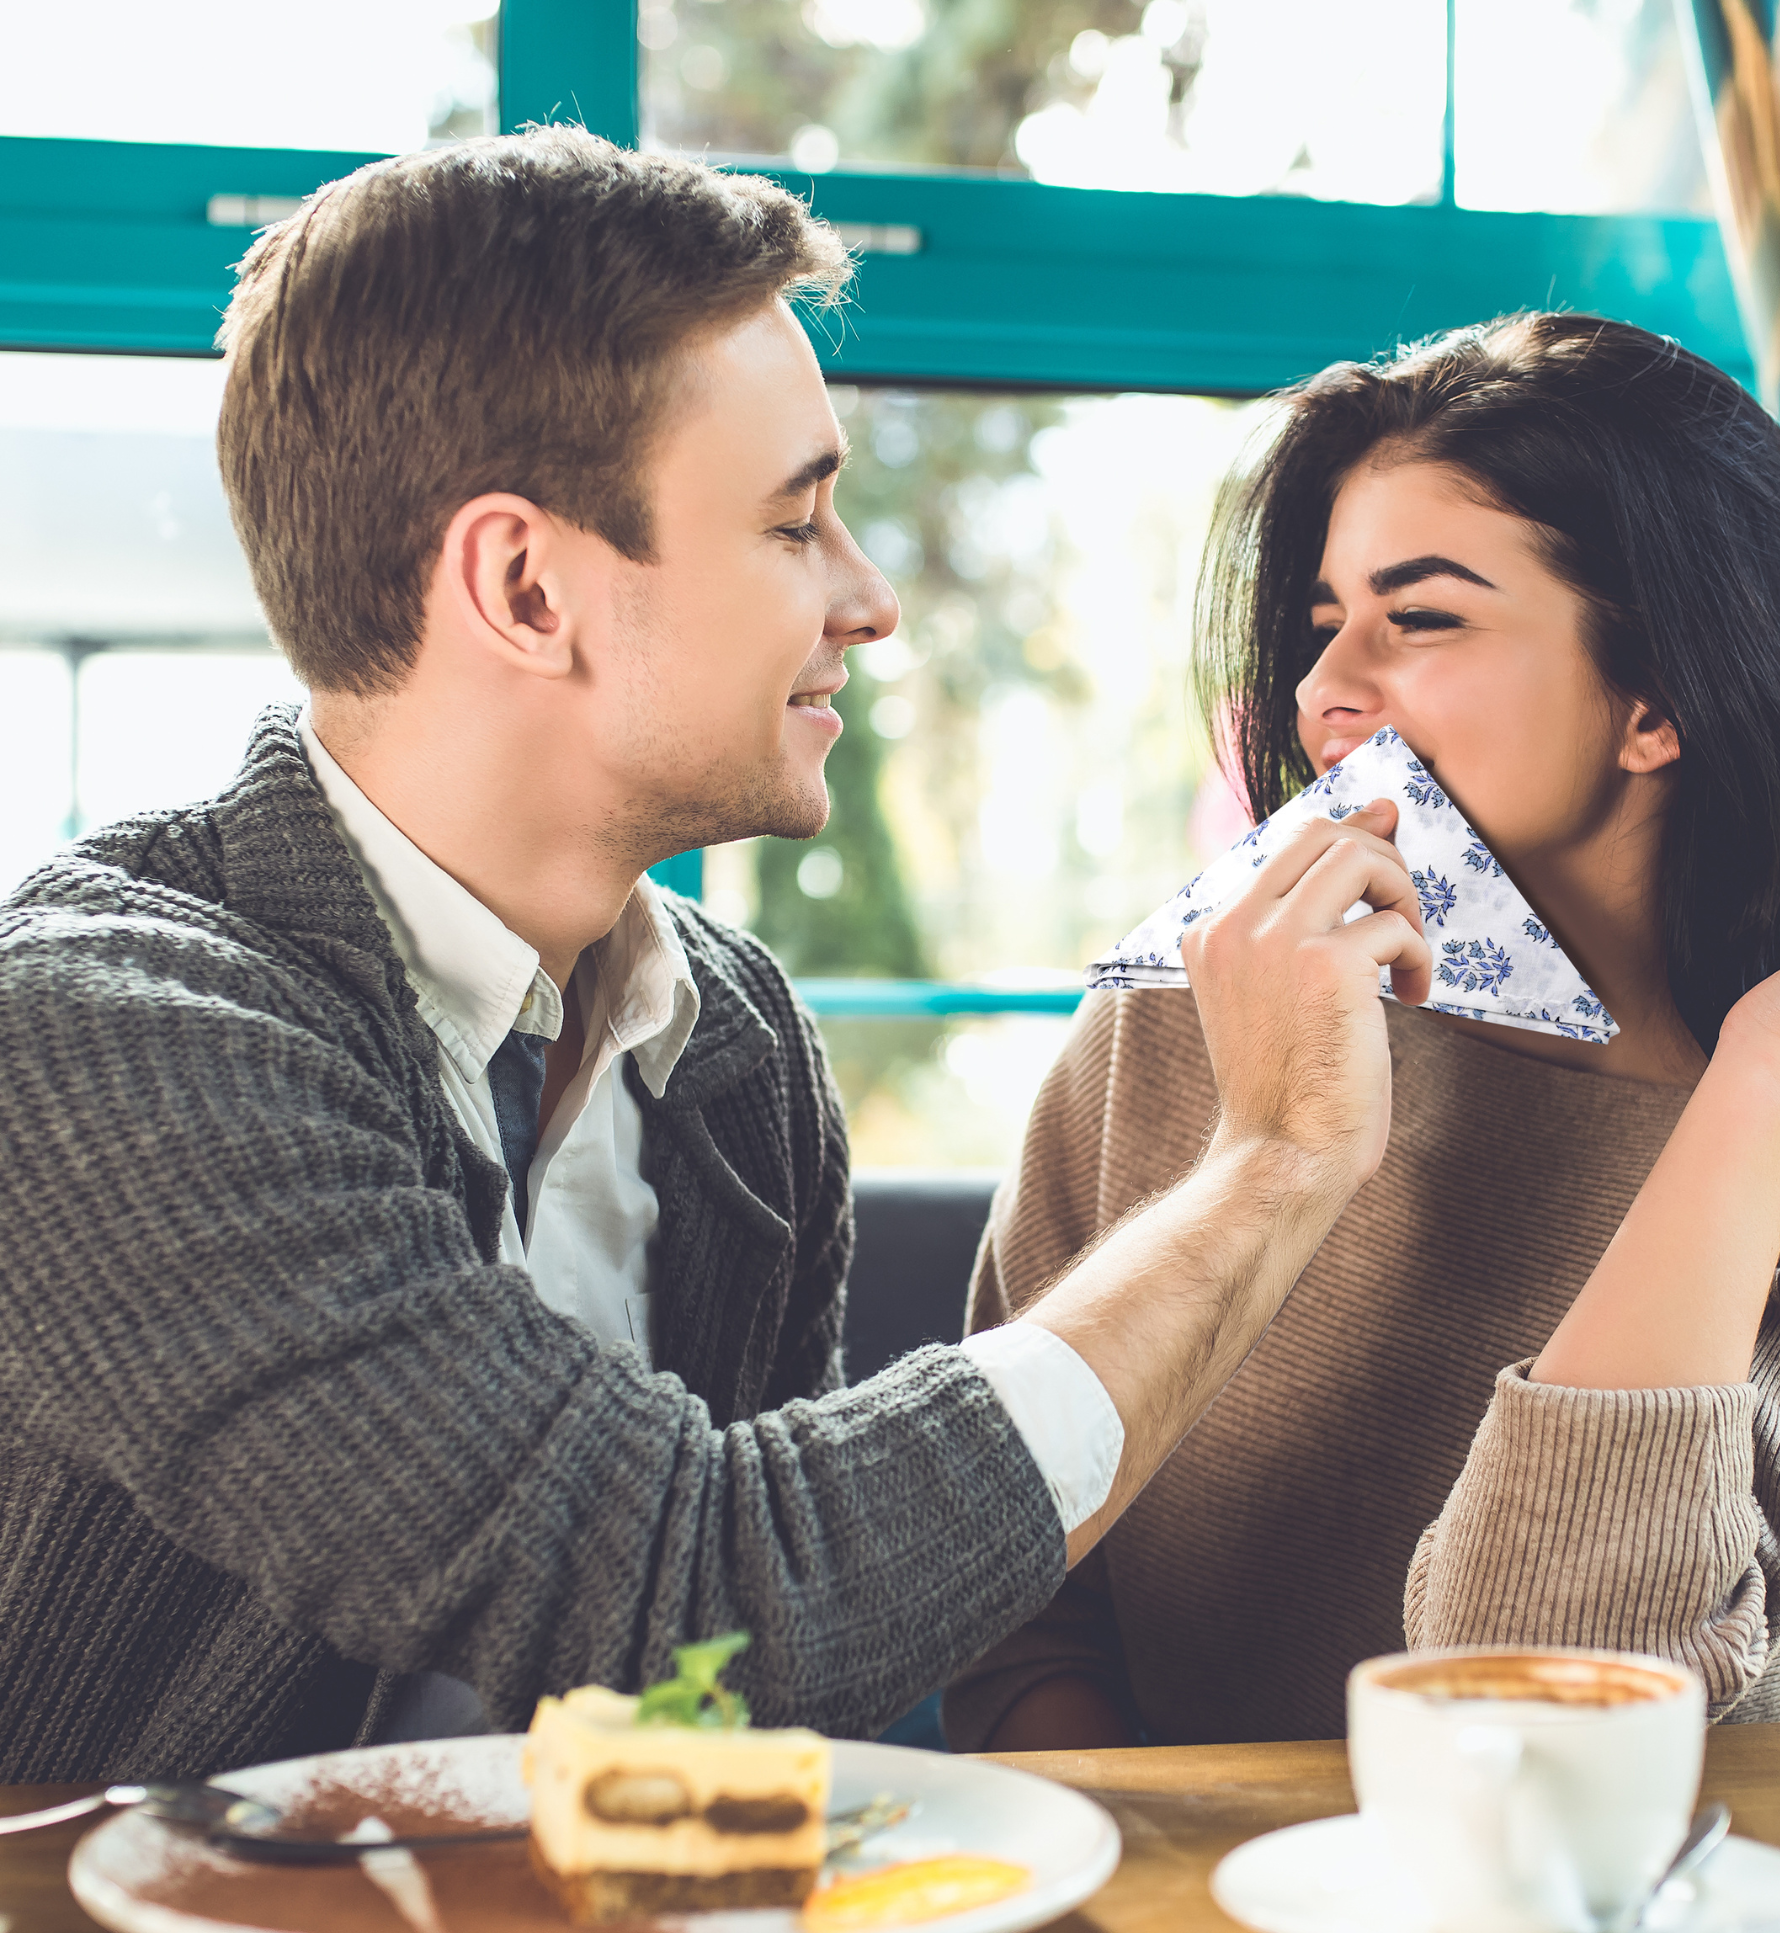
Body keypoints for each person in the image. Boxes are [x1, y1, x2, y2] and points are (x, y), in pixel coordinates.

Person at [0, 130, 1436, 1782]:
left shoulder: (734, 1039)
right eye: (793, 524)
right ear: (529, 587)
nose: (870, 597)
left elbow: (754, 1720)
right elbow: (695, 1605)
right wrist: (1267, 1163)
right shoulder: (96, 1033)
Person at [945, 312, 1780, 1752]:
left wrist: (1768, 1084)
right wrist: (1160, 1906)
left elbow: (1542, 1707)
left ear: (1658, 701)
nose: (1325, 691)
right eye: (1324, 619)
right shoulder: (1183, 1029)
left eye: (1423, 616)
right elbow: (1002, 1586)